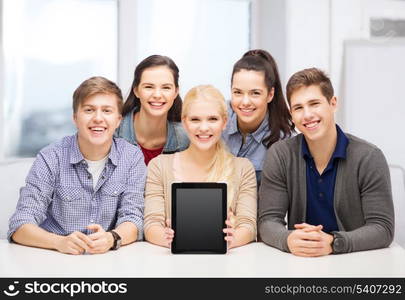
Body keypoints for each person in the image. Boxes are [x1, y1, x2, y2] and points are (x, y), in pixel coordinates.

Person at [258, 68, 394, 256]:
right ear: (291, 113)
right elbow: (267, 221)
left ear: (333, 103)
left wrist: (333, 243)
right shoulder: (280, 155)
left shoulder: (368, 157)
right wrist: (287, 239)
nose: (307, 115)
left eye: (314, 104)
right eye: (298, 108)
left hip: (356, 262)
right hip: (299, 263)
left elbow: (382, 229)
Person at [8, 77, 146, 255]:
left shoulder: (132, 157)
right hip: (53, 258)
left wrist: (112, 238)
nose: (98, 118)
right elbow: (20, 224)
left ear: (118, 120)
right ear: (75, 117)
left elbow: (133, 217)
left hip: (107, 260)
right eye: (89, 110)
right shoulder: (51, 157)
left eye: (107, 110)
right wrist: (59, 242)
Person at [144, 85, 257, 249]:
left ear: (224, 122)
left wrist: (231, 239)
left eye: (212, 119)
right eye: (195, 119)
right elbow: (151, 224)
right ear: (184, 122)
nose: (204, 128)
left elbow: (248, 226)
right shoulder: (159, 166)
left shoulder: (243, 168)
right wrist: (167, 238)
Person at [222, 49, 295, 185]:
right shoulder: (215, 119)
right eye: (237, 92)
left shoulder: (284, 142)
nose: (245, 102)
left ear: (270, 95)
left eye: (255, 93)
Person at [116, 55, 189, 165]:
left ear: (176, 92)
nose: (157, 95)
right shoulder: (113, 132)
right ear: (136, 91)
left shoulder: (186, 139)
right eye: (149, 87)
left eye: (166, 87)